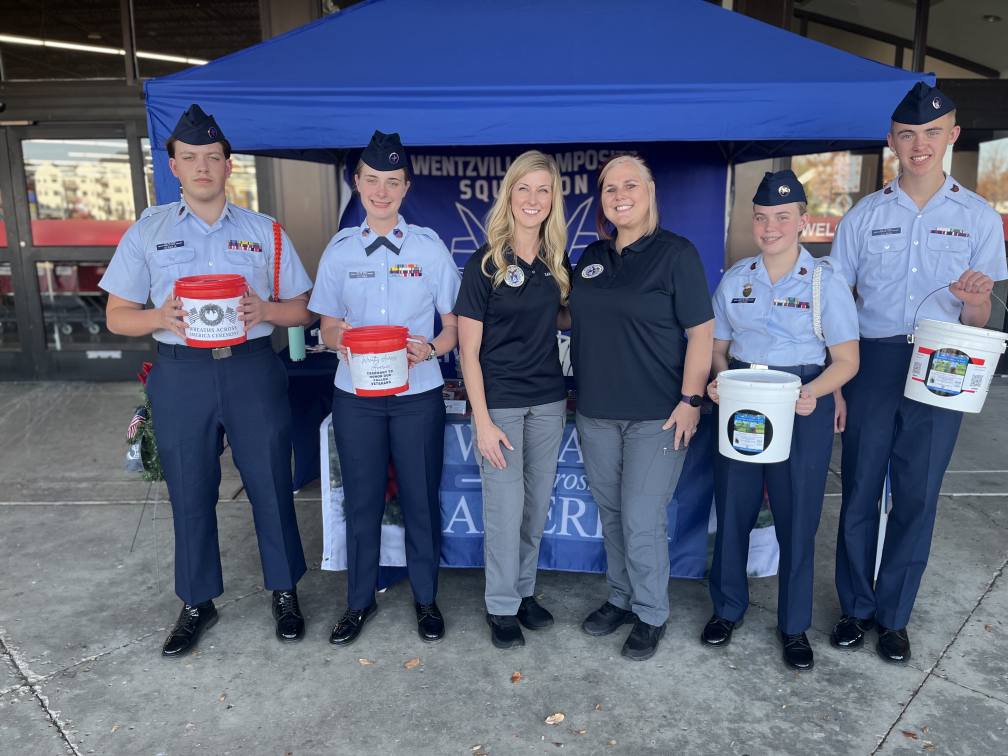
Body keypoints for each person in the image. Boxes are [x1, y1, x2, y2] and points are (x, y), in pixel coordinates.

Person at [101, 104, 313, 657]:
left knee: (270, 483)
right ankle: (198, 600)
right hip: (181, 374)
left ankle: (285, 590)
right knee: (189, 491)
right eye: (190, 158)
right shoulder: (148, 231)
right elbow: (116, 314)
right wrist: (158, 318)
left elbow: (305, 308)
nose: (201, 168)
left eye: (212, 158)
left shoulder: (263, 231)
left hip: (249, 368)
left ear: (228, 165)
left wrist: (266, 308)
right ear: (172, 165)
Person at [830, 82, 1008, 663]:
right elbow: (836, 303)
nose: (920, 144)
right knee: (859, 488)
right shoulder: (865, 214)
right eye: (908, 134)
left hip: (943, 359)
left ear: (953, 135)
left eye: (932, 132)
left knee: (918, 493)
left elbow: (978, 315)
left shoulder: (979, 218)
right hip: (873, 360)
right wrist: (835, 379)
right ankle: (855, 608)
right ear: (892, 142)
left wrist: (975, 299)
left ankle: (894, 616)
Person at [702, 170, 859, 670]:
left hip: (801, 403)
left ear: (802, 221)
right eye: (763, 218)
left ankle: (794, 626)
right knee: (734, 507)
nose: (771, 228)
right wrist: (721, 383)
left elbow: (847, 360)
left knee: (797, 517)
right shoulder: (736, 278)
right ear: (754, 220)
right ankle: (726, 608)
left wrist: (813, 392)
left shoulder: (823, 282)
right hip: (746, 401)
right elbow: (718, 349)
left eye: (782, 218)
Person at [309, 130, 461, 646]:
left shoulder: (429, 248)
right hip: (356, 397)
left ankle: (425, 599)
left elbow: (455, 323)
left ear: (406, 187)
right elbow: (326, 325)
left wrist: (434, 349)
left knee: (420, 499)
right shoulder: (339, 250)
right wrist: (341, 340)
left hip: (417, 394)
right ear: (357, 183)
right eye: (371, 180)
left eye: (391, 182)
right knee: (363, 501)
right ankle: (358, 602)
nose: (380, 191)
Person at [569, 154, 715, 661]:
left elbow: (701, 334)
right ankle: (621, 597)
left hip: (658, 414)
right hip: (595, 412)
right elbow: (562, 315)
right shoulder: (589, 256)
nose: (619, 195)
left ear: (651, 192)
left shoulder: (677, 254)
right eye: (609, 188)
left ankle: (651, 612)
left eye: (630, 185)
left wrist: (691, 399)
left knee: (641, 515)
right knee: (611, 513)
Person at [453, 151, 571, 649]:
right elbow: (468, 351)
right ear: (509, 196)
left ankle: (523, 592)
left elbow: (562, 320)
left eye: (543, 190)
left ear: (552, 201)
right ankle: (500, 605)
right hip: (500, 404)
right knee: (505, 506)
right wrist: (481, 421)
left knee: (536, 505)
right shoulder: (484, 265)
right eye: (524, 188)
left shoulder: (556, 263)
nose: (533, 199)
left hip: (548, 401)